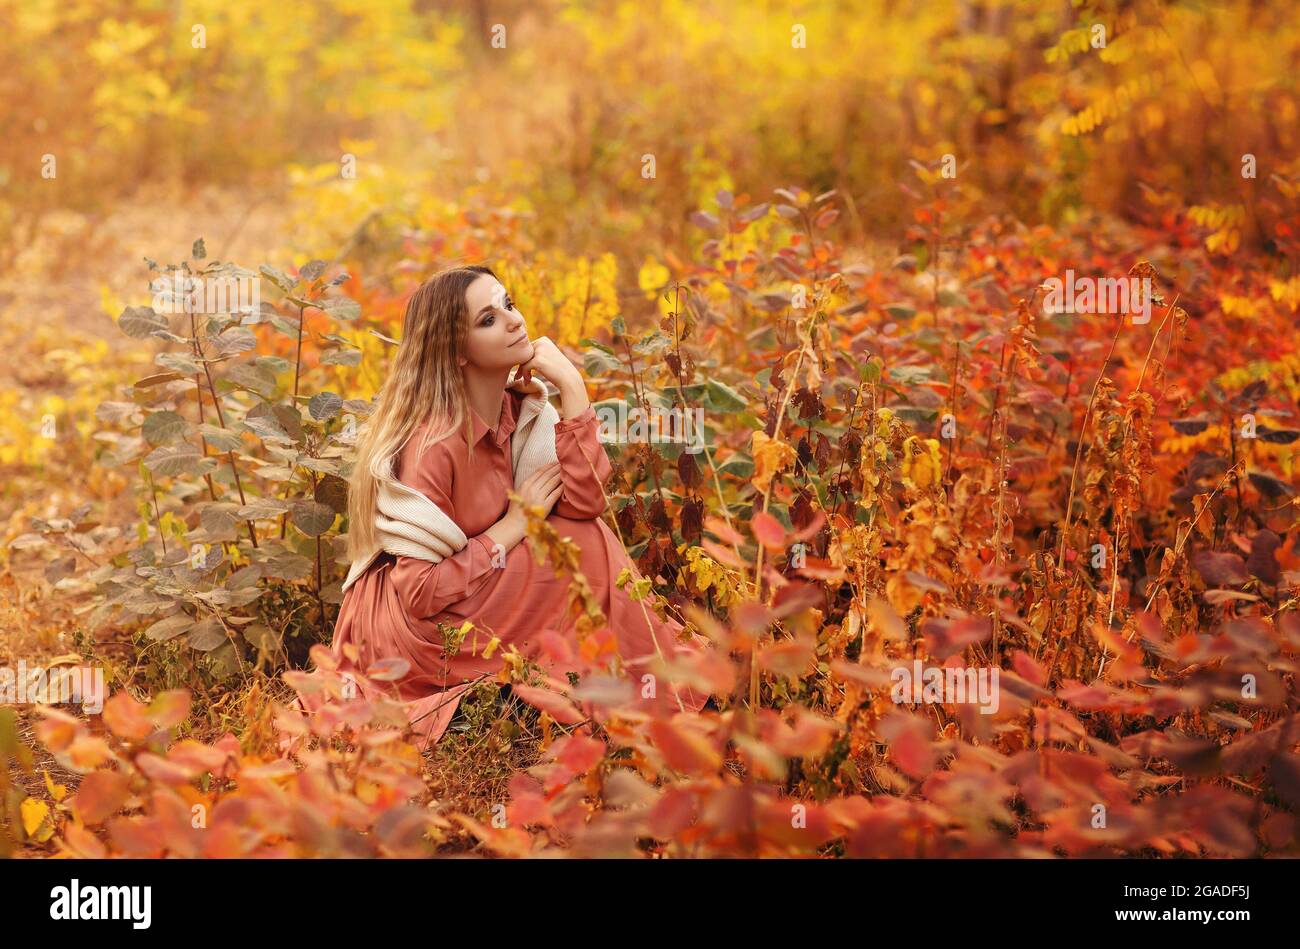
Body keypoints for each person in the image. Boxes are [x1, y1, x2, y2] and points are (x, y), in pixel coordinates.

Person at [317, 264, 711, 749]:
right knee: (579, 546)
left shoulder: (520, 411)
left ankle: (629, 685)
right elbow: (419, 592)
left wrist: (572, 390)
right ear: (456, 352)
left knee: (583, 537)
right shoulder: (435, 444)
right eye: (487, 319)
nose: (513, 320)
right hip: (410, 630)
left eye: (508, 304)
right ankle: (639, 689)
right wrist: (513, 526)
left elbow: (586, 503)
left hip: (471, 590)